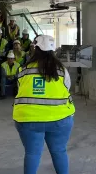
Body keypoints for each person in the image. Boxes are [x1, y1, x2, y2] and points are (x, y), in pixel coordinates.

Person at [13, 35, 74, 174]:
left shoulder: (23, 69)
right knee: (59, 151)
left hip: (28, 119)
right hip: (60, 118)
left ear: (36, 48)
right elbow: (67, 88)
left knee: (32, 154)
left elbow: (20, 88)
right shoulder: (62, 70)